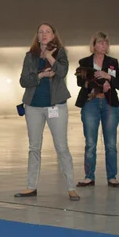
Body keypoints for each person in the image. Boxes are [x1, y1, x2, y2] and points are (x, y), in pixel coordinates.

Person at [16, 23, 80, 201]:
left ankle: (71, 187)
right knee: (34, 147)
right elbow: (23, 80)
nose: (44, 35)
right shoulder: (30, 56)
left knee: (62, 147)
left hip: (56, 106)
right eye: (41, 32)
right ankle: (31, 186)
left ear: (53, 36)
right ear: (37, 36)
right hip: (33, 106)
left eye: (47, 32)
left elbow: (62, 71)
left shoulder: (60, 54)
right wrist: (40, 76)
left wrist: (50, 57)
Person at [75, 32, 119, 188]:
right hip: (91, 103)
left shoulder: (112, 62)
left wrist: (108, 77)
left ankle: (112, 177)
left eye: (106, 43)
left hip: (109, 104)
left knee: (110, 143)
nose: (104, 46)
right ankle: (89, 177)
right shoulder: (84, 62)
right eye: (101, 43)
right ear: (94, 45)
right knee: (90, 142)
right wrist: (98, 85)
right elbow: (80, 82)